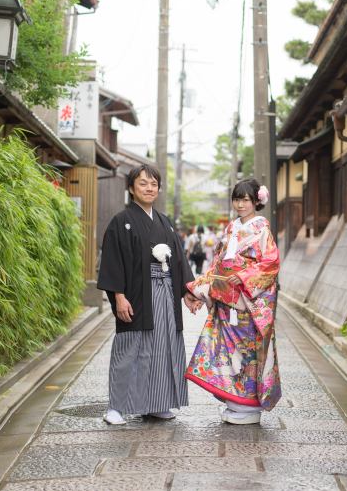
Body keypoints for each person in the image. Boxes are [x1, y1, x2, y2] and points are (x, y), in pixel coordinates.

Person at [97, 164, 202, 425]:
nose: (149, 188)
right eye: (143, 183)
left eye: (153, 183)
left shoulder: (165, 222)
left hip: (165, 295)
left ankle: (157, 403)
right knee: (130, 349)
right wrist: (119, 296)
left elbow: (178, 260)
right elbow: (113, 261)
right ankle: (117, 407)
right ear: (131, 188)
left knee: (163, 347)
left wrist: (187, 292)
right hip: (136, 295)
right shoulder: (121, 222)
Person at [185, 178, 281, 424]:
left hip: (248, 303)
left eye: (246, 200)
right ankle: (232, 400)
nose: (240, 204)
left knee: (247, 352)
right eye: (237, 199)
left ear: (257, 201)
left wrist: (245, 276)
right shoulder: (230, 229)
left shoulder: (262, 230)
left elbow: (270, 263)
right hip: (227, 301)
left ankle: (248, 404)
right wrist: (199, 291)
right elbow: (218, 265)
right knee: (227, 351)